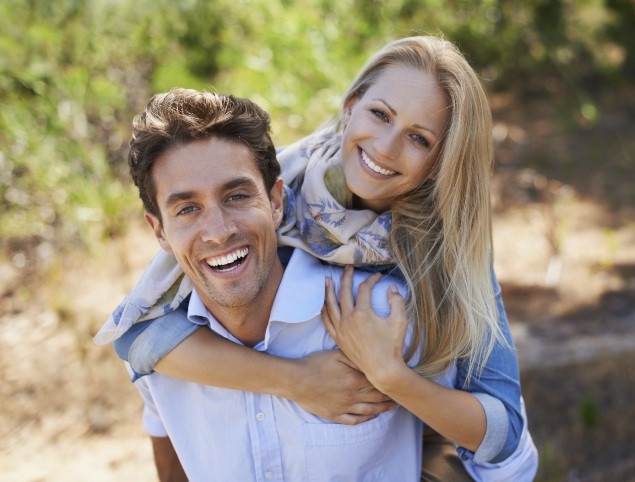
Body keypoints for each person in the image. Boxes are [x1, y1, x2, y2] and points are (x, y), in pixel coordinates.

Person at [96, 36, 538, 480]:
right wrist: (296, 380)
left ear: (444, 159)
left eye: (419, 139)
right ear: (351, 107)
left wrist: (390, 375)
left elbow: (506, 437)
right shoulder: (286, 189)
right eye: (380, 114)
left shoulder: (442, 260)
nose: (384, 147)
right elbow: (136, 337)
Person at [124, 88, 450, 481]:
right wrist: (296, 380)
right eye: (188, 209)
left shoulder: (386, 314)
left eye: (237, 196)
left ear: (276, 201)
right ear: (160, 231)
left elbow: (483, 453)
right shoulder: (160, 357)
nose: (218, 231)